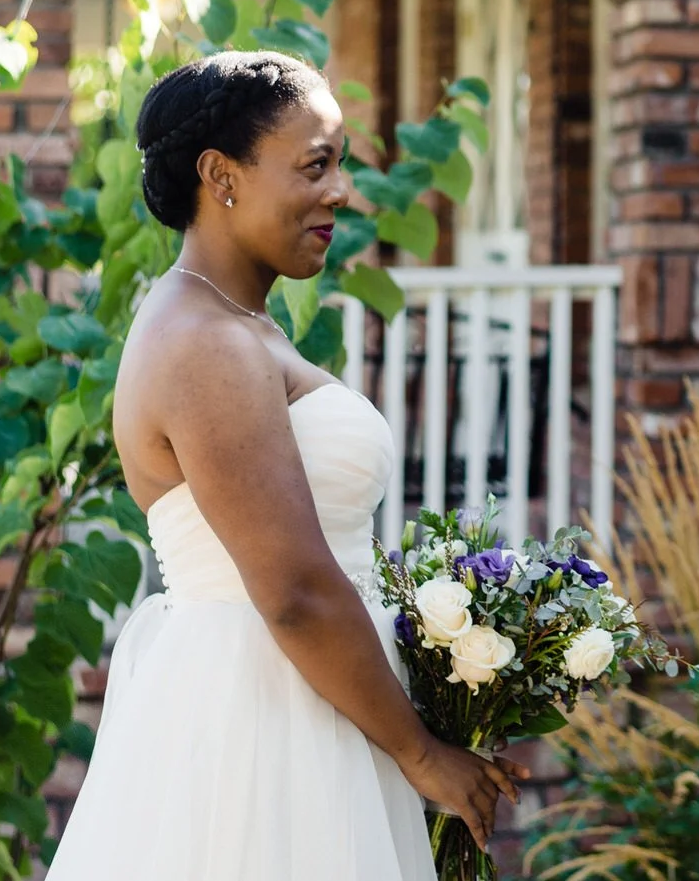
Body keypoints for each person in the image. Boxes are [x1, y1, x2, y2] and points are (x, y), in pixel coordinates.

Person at [48, 51, 528, 880]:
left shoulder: (237, 323)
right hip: (265, 725)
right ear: (221, 175)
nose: (342, 191)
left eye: (341, 163)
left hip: (313, 704)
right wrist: (421, 754)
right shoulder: (204, 342)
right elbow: (296, 590)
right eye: (316, 165)